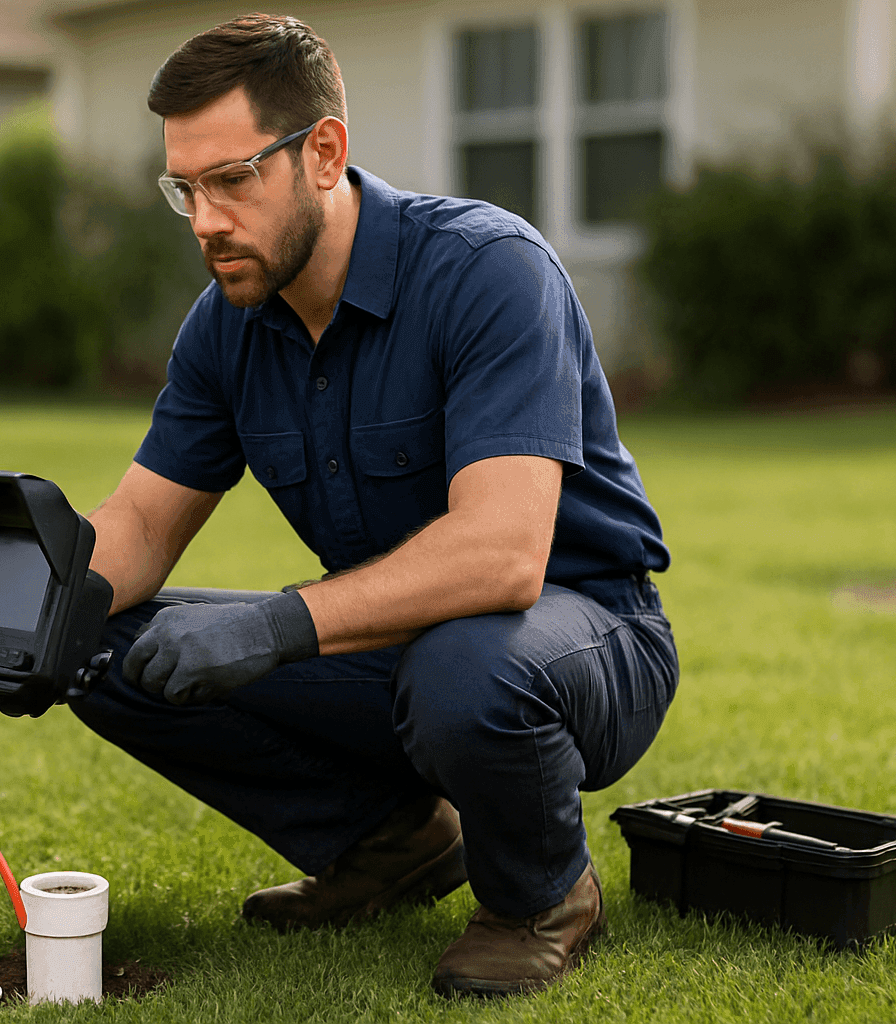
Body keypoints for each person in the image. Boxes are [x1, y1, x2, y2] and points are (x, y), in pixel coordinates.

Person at [70, 12, 677, 998]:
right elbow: (138, 525)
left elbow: (503, 556)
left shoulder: (488, 270)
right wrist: (15, 618)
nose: (205, 220)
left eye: (232, 179)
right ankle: (392, 843)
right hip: (391, 646)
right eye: (185, 187)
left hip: (582, 632)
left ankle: (541, 896)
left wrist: (278, 621)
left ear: (323, 151)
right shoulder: (228, 323)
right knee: (100, 645)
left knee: (463, 665)